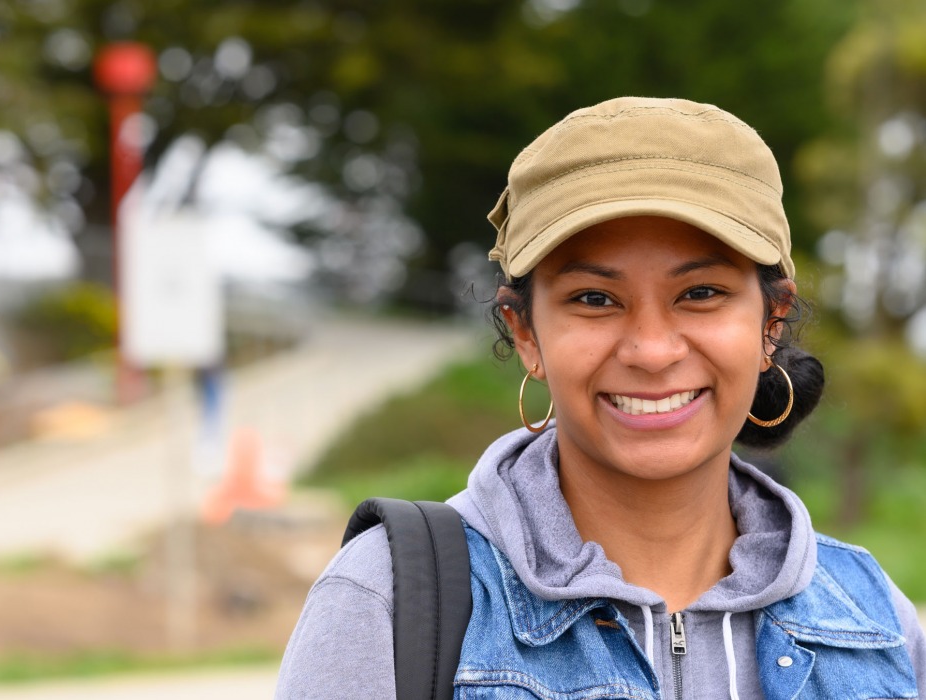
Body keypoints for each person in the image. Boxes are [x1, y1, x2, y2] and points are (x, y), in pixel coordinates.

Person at [276, 97, 926, 698]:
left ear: (770, 323)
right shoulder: (389, 600)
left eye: (700, 293)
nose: (651, 349)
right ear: (526, 332)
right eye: (594, 299)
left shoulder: (875, 625)